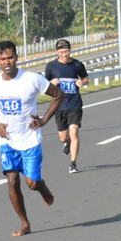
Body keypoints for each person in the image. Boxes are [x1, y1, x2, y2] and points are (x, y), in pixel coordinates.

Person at [0, 40, 64, 237]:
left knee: (32, 183)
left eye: (10, 57)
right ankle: (25, 223)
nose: (7, 62)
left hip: (29, 139)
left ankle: (42, 188)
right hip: (7, 140)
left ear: (16, 57)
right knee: (11, 180)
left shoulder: (32, 79)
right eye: (2, 59)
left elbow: (58, 95)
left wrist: (43, 119)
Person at [43, 39, 89, 173]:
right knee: (63, 137)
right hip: (59, 106)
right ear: (57, 52)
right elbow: (45, 85)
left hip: (75, 104)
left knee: (74, 131)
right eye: (62, 52)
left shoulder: (77, 64)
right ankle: (67, 142)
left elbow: (86, 78)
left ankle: (73, 163)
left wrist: (82, 82)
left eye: (67, 51)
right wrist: (52, 82)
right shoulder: (51, 66)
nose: (65, 54)